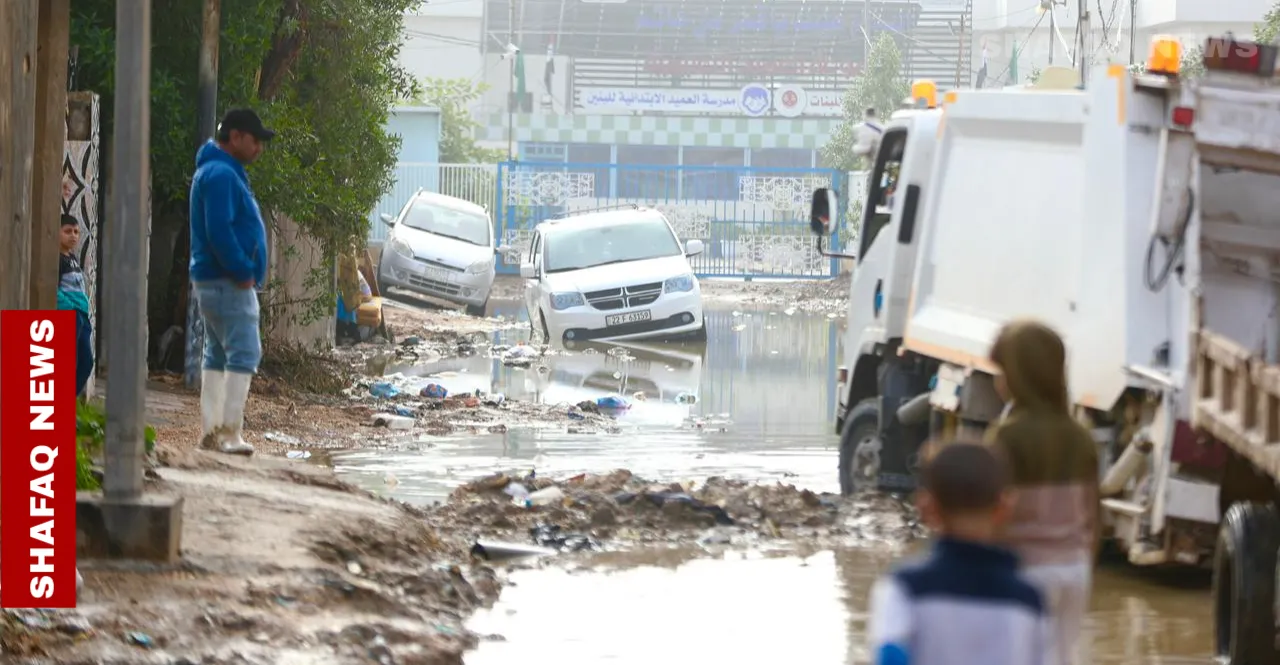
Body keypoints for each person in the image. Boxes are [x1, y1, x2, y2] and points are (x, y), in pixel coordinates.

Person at [868, 442, 1048, 665]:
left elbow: (890, 656)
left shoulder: (905, 588)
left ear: (926, 507)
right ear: (1005, 507)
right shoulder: (1028, 598)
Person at [986, 319, 1100, 665]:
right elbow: (1094, 516)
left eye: (1002, 371)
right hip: (1074, 570)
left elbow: (993, 515)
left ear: (1019, 376)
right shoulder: (1080, 436)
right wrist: (1081, 559)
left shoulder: (1006, 436)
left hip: (1024, 568)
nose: (998, 380)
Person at [189, 108, 275, 456]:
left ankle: (212, 431)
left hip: (213, 279)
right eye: (255, 140)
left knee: (218, 353)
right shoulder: (222, 174)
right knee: (244, 350)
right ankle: (228, 434)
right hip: (227, 280)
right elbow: (220, 231)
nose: (259, 148)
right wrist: (242, 270)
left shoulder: (217, 171)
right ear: (236, 137)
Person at [57, 214, 94, 398]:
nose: (73, 235)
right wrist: (70, 308)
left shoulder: (72, 258)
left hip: (82, 315)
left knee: (86, 362)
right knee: (66, 361)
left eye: (76, 232)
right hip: (70, 315)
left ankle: (67, 399)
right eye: (67, 231)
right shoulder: (56, 259)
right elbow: (54, 290)